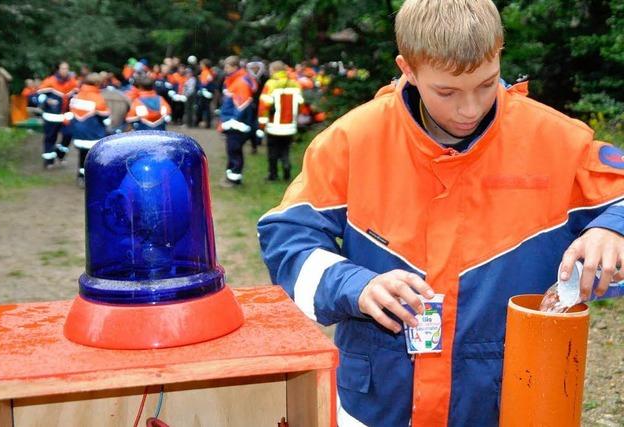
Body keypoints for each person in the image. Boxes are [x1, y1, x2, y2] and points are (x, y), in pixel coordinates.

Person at [257, 1, 624, 426]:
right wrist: (355, 285)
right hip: (379, 404)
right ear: (407, 69)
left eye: (487, 85)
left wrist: (614, 229)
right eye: (447, 92)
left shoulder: (559, 141)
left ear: (500, 53)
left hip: (513, 399)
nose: (470, 109)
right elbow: (287, 241)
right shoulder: (351, 142)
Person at [258, 60, 304, 181]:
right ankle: (287, 171)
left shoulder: (270, 84)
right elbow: (300, 103)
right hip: (290, 126)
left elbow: (264, 106)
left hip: (274, 126)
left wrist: (262, 125)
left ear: (273, 70)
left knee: (272, 152)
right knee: (285, 150)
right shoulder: (295, 84)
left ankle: (273, 175)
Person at [65, 73, 110, 184]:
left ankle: (81, 176)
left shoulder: (76, 96)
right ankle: (93, 179)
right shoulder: (98, 99)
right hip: (93, 134)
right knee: (94, 157)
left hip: (78, 133)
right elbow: (104, 116)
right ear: (96, 84)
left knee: (82, 155)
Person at [219, 55, 257, 186]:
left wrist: (233, 121)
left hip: (236, 125)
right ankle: (231, 176)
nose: (225, 69)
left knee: (234, 151)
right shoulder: (235, 80)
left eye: (227, 66)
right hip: (232, 123)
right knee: (232, 151)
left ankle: (234, 180)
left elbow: (242, 105)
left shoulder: (240, 82)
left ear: (234, 67)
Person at [36, 61, 79, 168]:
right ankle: (49, 161)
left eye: (66, 68)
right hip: (52, 116)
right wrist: (47, 101)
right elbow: (38, 96)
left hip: (67, 116)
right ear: (58, 70)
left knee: (68, 135)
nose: (65, 70)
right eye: (63, 68)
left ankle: (60, 153)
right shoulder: (49, 81)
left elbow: (78, 95)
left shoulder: (73, 82)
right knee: (50, 138)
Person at [196, 59, 216, 129]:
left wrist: (202, 89)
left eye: (201, 64)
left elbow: (204, 83)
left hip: (205, 93)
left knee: (205, 109)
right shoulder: (207, 72)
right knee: (206, 109)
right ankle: (206, 123)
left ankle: (206, 123)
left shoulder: (206, 72)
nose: (200, 66)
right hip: (205, 92)